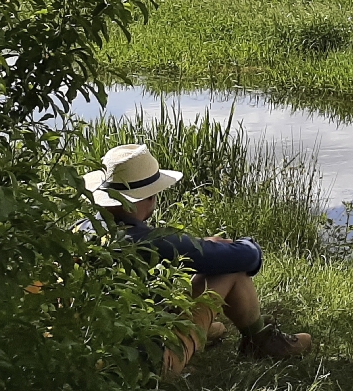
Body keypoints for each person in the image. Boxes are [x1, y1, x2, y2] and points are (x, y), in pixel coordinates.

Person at [84, 144, 311, 373]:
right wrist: (241, 244)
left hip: (90, 352)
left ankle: (209, 331)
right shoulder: (148, 241)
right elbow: (248, 257)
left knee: (213, 266)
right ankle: (261, 342)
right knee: (230, 267)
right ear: (149, 198)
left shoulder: (83, 230)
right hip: (148, 363)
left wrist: (205, 245)